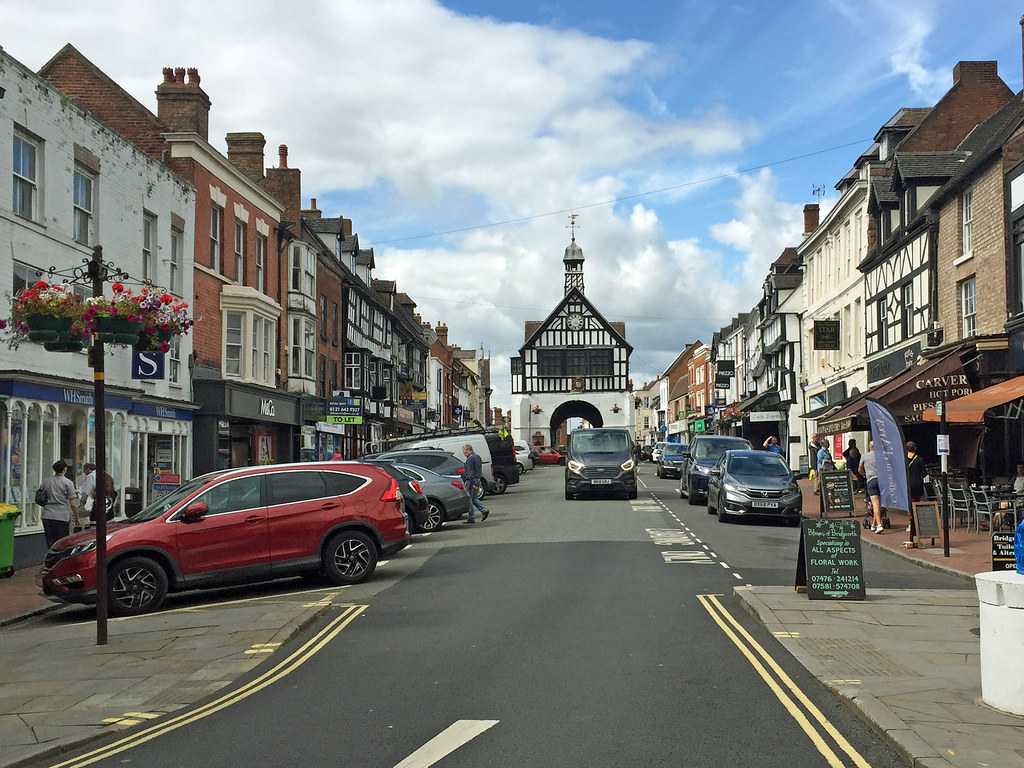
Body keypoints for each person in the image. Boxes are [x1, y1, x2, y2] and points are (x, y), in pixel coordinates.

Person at [41, 460, 80, 548]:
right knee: (62, 542)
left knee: (50, 541)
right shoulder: (68, 483)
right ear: (65, 469)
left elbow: (41, 496)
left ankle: (51, 559)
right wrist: (77, 517)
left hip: (47, 515)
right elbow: (73, 504)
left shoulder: (46, 481)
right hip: (61, 516)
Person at [860, 441, 884, 534]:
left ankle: (879, 525)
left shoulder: (864, 456)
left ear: (869, 447)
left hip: (871, 480)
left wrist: (864, 474)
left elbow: (860, 468)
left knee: (875, 504)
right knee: (879, 504)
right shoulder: (881, 455)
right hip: (881, 481)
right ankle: (874, 525)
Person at [461, 443, 489, 523]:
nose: (463, 453)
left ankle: (471, 517)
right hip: (477, 479)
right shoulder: (477, 457)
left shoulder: (470, 458)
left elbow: (470, 471)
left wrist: (472, 482)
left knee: (469, 498)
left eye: (464, 451)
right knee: (474, 498)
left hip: (471, 480)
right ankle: (484, 510)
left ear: (468, 450)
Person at [906, 441, 927, 538]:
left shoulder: (904, 460)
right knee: (916, 503)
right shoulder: (919, 460)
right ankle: (917, 523)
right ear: (915, 449)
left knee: (909, 504)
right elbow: (924, 473)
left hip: (908, 484)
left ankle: (910, 523)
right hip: (918, 484)